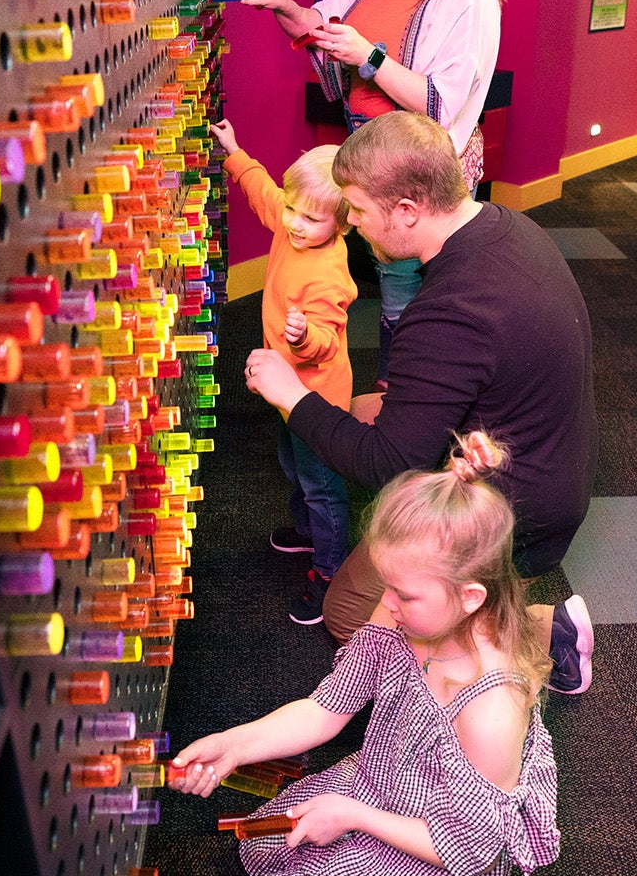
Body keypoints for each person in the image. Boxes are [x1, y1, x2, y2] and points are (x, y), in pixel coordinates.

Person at [242, 111, 596, 693]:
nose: (349, 225)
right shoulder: (507, 226)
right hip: (547, 460)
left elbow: (387, 465)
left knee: (350, 616)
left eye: (355, 209)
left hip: (515, 513)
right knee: (359, 410)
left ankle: (537, 633)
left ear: (407, 210)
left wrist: (293, 395)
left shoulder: (448, 310)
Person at [168, 433, 560, 876]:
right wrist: (234, 746)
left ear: (470, 597)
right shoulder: (398, 615)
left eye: (405, 595)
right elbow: (325, 709)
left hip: (449, 839)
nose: (387, 603)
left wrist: (357, 817)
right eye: (385, 584)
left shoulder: (491, 712)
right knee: (277, 843)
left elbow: (470, 851)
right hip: (392, 776)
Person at [236, 0, 503, 383]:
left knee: (413, 301)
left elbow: (440, 106)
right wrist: (282, 3)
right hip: (376, 163)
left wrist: (370, 58)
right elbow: (324, 24)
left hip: (422, 176)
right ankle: (397, 398)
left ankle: (409, 408)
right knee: (391, 295)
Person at [210, 118, 357, 625]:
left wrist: (302, 337)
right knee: (292, 466)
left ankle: (331, 567)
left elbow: (327, 341)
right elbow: (265, 193)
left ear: (341, 224)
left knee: (321, 482)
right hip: (285, 390)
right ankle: (308, 531)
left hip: (316, 396)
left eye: (311, 219)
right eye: (294, 210)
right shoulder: (291, 225)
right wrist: (235, 153)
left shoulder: (328, 273)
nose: (294, 222)